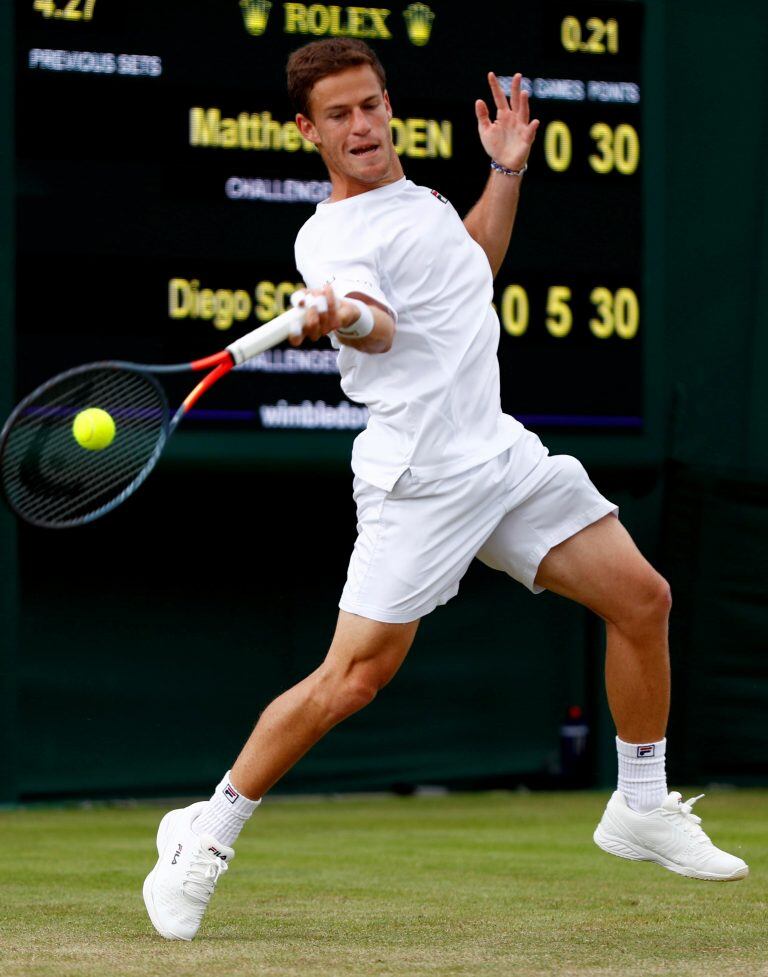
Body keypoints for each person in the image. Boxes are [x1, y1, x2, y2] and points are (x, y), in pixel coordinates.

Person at [142, 38, 748, 942]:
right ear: (307, 131)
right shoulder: (331, 237)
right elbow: (379, 327)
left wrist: (504, 172)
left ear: (390, 106)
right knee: (351, 680)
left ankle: (642, 801)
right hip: (418, 480)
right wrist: (344, 311)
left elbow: (470, 275)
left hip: (498, 456)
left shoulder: (420, 201)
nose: (363, 126)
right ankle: (205, 828)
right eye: (340, 114)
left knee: (643, 597)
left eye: (373, 105)